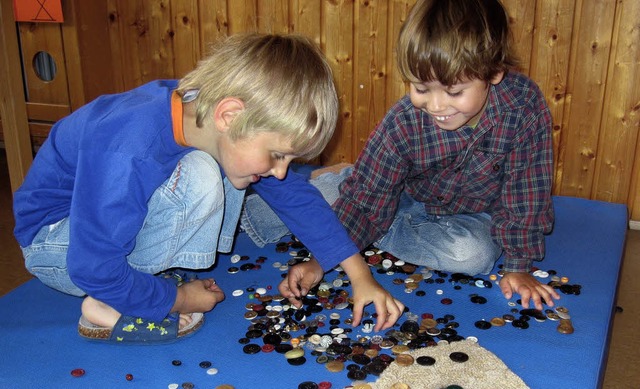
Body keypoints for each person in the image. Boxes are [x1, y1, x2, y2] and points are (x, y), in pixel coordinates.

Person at [13, 33, 404, 343]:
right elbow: (90, 264)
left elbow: (294, 196)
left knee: (234, 172)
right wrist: (176, 299)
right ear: (229, 115)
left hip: (99, 234)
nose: (281, 172)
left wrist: (359, 275)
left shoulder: (203, 112)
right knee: (203, 172)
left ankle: (139, 280)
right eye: (277, 155)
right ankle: (107, 303)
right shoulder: (127, 148)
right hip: (60, 248)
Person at [240, 0, 560, 311]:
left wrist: (518, 265)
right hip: (402, 194)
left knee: (473, 255)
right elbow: (366, 201)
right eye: (421, 88)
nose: (435, 106)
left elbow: (525, 193)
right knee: (326, 197)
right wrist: (320, 260)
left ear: (494, 73)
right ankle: (252, 210)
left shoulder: (523, 107)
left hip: (473, 214)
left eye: (453, 92)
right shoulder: (403, 122)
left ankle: (359, 216)